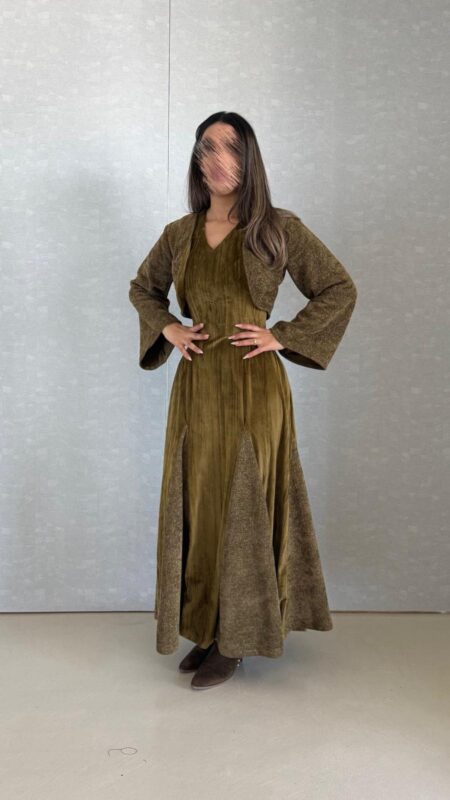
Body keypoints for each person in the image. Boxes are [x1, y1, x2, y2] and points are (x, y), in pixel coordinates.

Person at [129, 111, 357, 691]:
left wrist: (282, 334)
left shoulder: (276, 229)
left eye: (229, 148)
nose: (217, 160)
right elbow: (142, 288)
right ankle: (206, 628)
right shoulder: (179, 234)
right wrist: (170, 327)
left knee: (242, 509)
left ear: (248, 158)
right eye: (206, 148)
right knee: (199, 506)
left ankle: (237, 638)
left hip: (256, 393)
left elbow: (338, 288)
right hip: (196, 392)